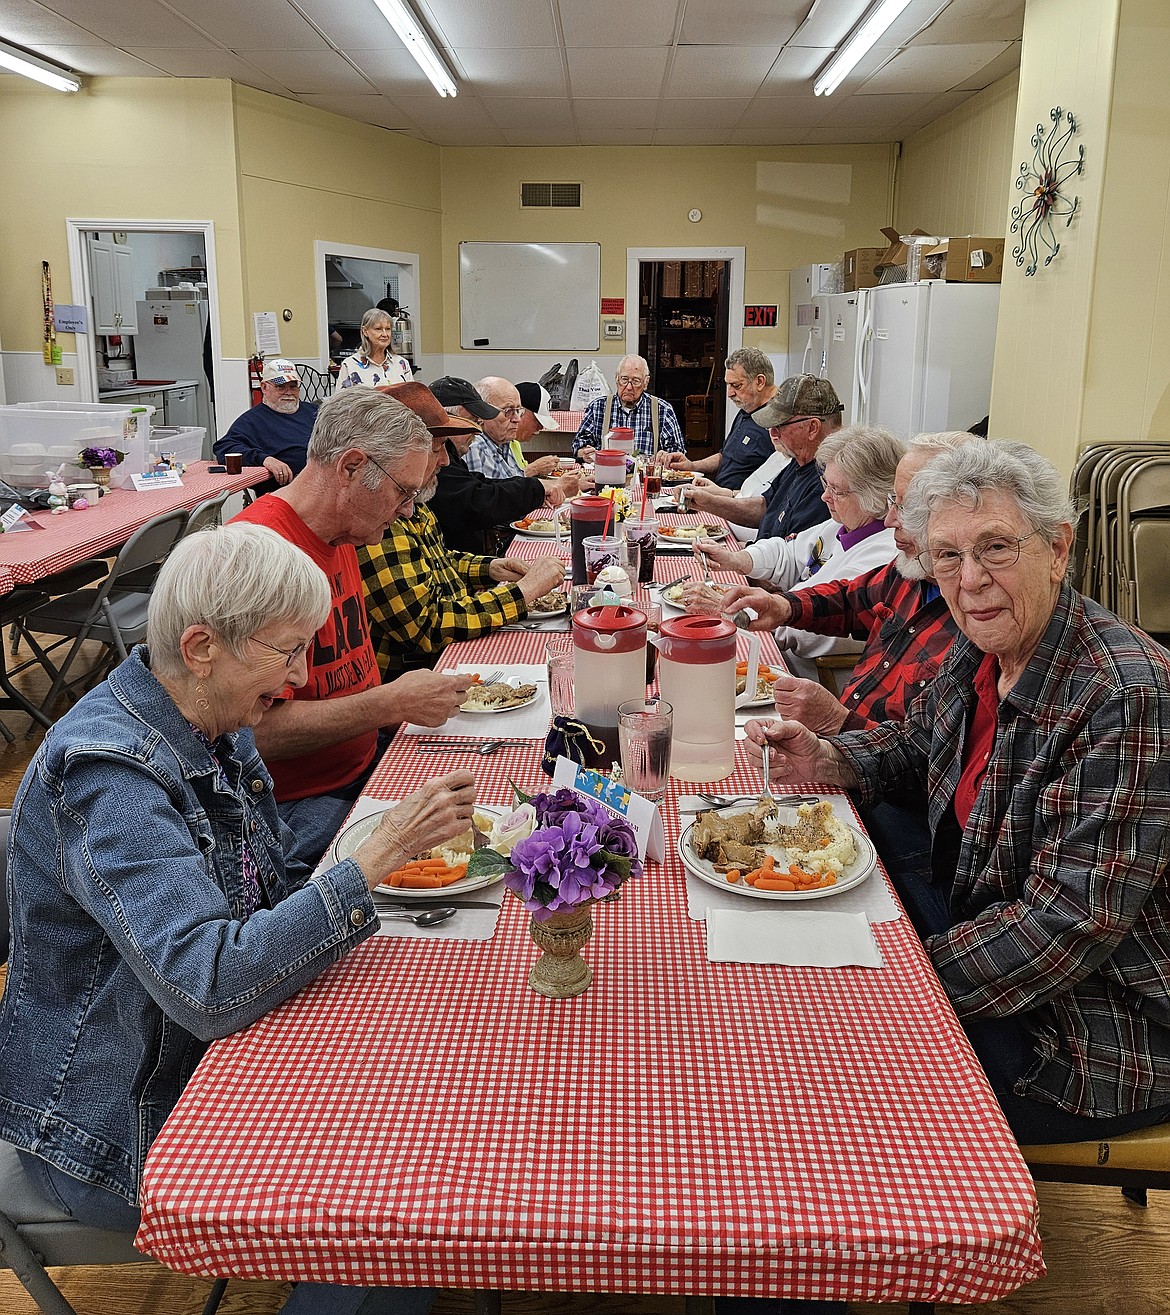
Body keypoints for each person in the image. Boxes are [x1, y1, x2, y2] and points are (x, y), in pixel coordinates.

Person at [0, 521, 473, 1315]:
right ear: (200, 645)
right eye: (288, 651)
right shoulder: (109, 771)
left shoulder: (209, 721)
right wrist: (373, 860)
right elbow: (210, 986)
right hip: (118, 1119)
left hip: (209, 1060)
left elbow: (270, 891)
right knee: (399, 1198)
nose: (297, 676)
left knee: (434, 1087)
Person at [746, 440, 1170, 1144]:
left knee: (819, 1077)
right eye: (949, 555)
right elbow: (916, 743)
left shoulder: (1125, 696)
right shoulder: (984, 644)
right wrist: (827, 755)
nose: (970, 578)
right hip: (978, 918)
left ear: (1058, 547)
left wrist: (897, 984)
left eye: (996, 547)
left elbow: (1064, 924)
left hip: (1085, 1030)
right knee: (783, 952)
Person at [231, 387, 470, 869]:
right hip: (299, 808)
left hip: (366, 763)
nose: (407, 509)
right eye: (402, 491)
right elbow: (253, 734)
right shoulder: (261, 554)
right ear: (351, 467)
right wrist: (393, 702)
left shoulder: (344, 530)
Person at [717, 431, 972, 735]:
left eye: (904, 507)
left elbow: (917, 751)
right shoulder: (913, 569)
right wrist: (783, 607)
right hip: (845, 735)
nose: (889, 519)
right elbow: (850, 600)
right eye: (893, 501)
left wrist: (836, 724)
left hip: (858, 750)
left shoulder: (974, 619)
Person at [357, 383, 565, 679]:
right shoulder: (379, 516)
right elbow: (428, 627)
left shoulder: (413, 499)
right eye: (437, 448)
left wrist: (491, 568)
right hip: (420, 673)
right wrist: (525, 591)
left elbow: (439, 560)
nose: (445, 460)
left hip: (450, 649)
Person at [686, 426, 901, 681]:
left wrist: (736, 612)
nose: (825, 497)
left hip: (809, 677)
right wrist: (738, 559)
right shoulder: (845, 524)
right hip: (779, 652)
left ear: (875, 495)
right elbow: (787, 552)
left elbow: (814, 633)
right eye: (826, 485)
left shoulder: (884, 554)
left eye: (837, 490)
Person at [428, 377, 579, 553]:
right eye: (473, 420)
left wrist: (537, 488)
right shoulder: (449, 455)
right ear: (447, 421)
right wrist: (535, 488)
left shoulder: (454, 453)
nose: (478, 429)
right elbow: (477, 502)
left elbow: (481, 483)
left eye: (518, 411)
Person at [685, 374, 843, 541]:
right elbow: (765, 507)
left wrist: (745, 553)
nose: (772, 433)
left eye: (780, 425)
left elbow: (791, 556)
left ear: (812, 428)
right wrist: (707, 502)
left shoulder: (828, 481)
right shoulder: (800, 461)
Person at [664, 347, 777, 489]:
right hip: (721, 496)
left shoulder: (778, 421)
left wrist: (725, 496)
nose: (729, 393)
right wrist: (691, 466)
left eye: (736, 385)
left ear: (760, 382)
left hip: (742, 504)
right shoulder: (748, 408)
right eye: (728, 385)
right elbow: (726, 457)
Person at [215, 358, 315, 493]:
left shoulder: (316, 412)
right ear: (264, 387)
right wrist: (264, 459)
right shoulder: (252, 421)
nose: (289, 392)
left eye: (293, 386)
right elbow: (225, 448)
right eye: (281, 387)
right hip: (287, 493)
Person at [573, 355, 686, 462]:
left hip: (645, 476)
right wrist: (583, 452)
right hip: (607, 473)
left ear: (646, 383)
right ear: (617, 379)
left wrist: (667, 456)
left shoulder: (662, 410)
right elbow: (579, 444)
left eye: (636, 381)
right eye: (624, 379)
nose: (629, 387)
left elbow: (678, 452)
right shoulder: (598, 407)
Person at [335, 306, 412, 389]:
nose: (385, 334)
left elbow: (413, 398)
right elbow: (341, 401)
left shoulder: (402, 364)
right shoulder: (350, 365)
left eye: (388, 329)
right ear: (365, 331)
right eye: (378, 329)